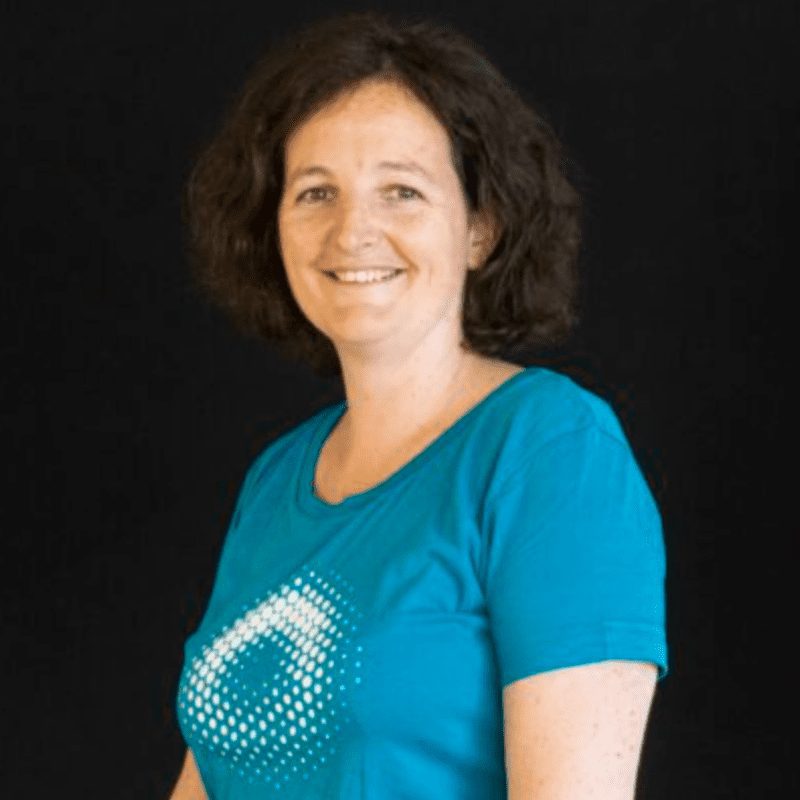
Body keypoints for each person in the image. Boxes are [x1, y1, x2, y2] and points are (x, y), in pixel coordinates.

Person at [169, 10, 669, 799]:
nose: (352, 230)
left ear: (480, 227)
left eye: (401, 190)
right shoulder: (275, 483)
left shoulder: (551, 454)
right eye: (315, 192)